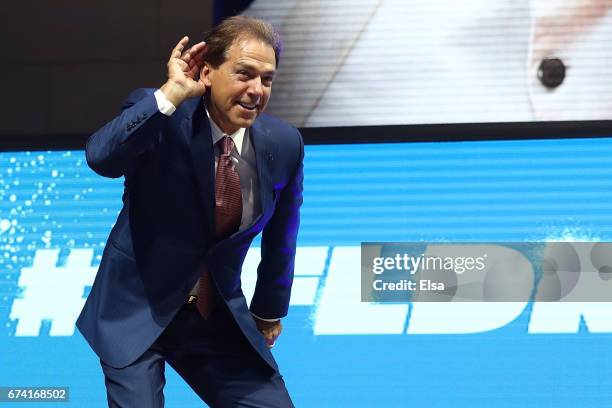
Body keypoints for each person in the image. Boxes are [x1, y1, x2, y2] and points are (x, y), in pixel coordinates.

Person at [76, 16, 303, 407]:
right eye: (244, 74)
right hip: (135, 311)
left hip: (214, 317)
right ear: (209, 72)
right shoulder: (162, 118)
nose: (256, 91)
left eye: (267, 80)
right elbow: (101, 158)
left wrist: (268, 309)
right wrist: (170, 94)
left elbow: (283, 233)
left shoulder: (283, 143)